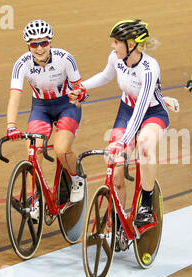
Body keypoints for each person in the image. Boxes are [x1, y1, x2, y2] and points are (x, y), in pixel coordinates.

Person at [69, 19, 175, 227]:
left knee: (144, 144)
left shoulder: (149, 68)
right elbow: (105, 76)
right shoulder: (115, 58)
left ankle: (146, 201)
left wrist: (124, 141)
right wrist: (83, 87)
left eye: (116, 42)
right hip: (126, 111)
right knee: (115, 169)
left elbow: (142, 107)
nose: (112, 46)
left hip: (152, 112)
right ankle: (116, 222)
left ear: (131, 44)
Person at [6, 19, 86, 204]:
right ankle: (32, 197)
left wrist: (80, 95)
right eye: (34, 44)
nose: (40, 48)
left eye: (44, 42)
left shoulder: (65, 58)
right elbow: (14, 97)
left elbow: (79, 87)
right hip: (41, 108)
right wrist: (11, 126)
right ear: (28, 45)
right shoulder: (21, 64)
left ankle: (76, 179)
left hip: (67, 106)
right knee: (34, 151)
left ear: (50, 41)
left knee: (61, 149)